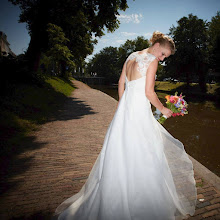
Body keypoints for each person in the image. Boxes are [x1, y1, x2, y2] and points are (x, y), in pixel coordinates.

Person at [53, 31, 197, 220]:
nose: (161, 59)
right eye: (163, 54)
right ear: (157, 46)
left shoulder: (131, 56)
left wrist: (123, 106)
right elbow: (149, 92)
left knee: (120, 151)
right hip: (139, 113)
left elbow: (121, 83)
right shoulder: (151, 60)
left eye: (164, 58)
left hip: (125, 112)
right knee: (144, 152)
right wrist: (163, 109)